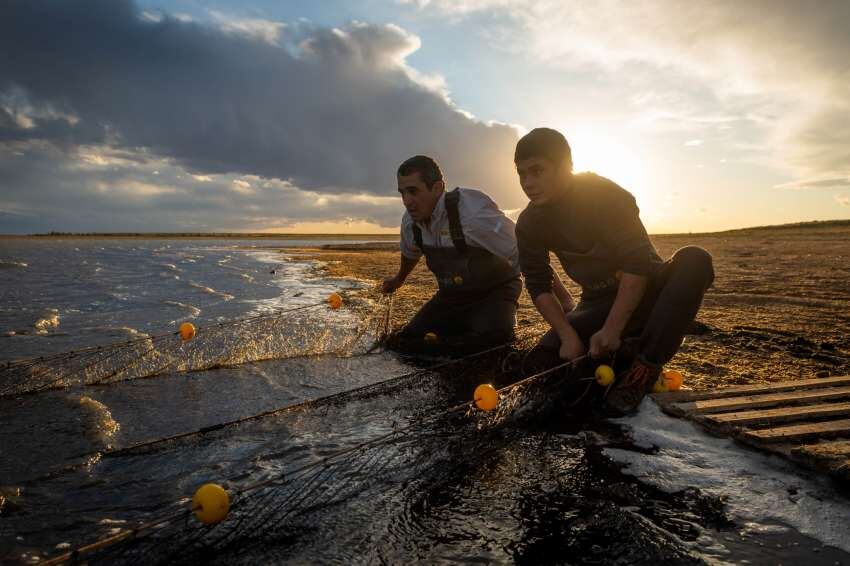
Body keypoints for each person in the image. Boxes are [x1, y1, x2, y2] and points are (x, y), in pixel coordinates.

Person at [513, 128, 714, 415]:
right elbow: (537, 283)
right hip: (596, 303)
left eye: (537, 171)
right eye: (521, 174)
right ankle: (626, 351)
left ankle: (645, 368)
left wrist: (611, 330)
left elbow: (637, 265)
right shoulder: (529, 222)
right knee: (538, 367)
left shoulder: (606, 196)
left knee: (695, 260)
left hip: (649, 293)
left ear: (566, 167)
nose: (528, 183)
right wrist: (568, 335)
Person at [382, 155, 522, 353]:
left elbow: (524, 252)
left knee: (493, 343)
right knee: (407, 341)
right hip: (451, 298)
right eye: (402, 193)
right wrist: (399, 279)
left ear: (437, 188)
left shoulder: (471, 213)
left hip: (496, 292)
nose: (406, 201)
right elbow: (410, 254)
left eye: (413, 191)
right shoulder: (410, 224)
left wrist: (563, 301)